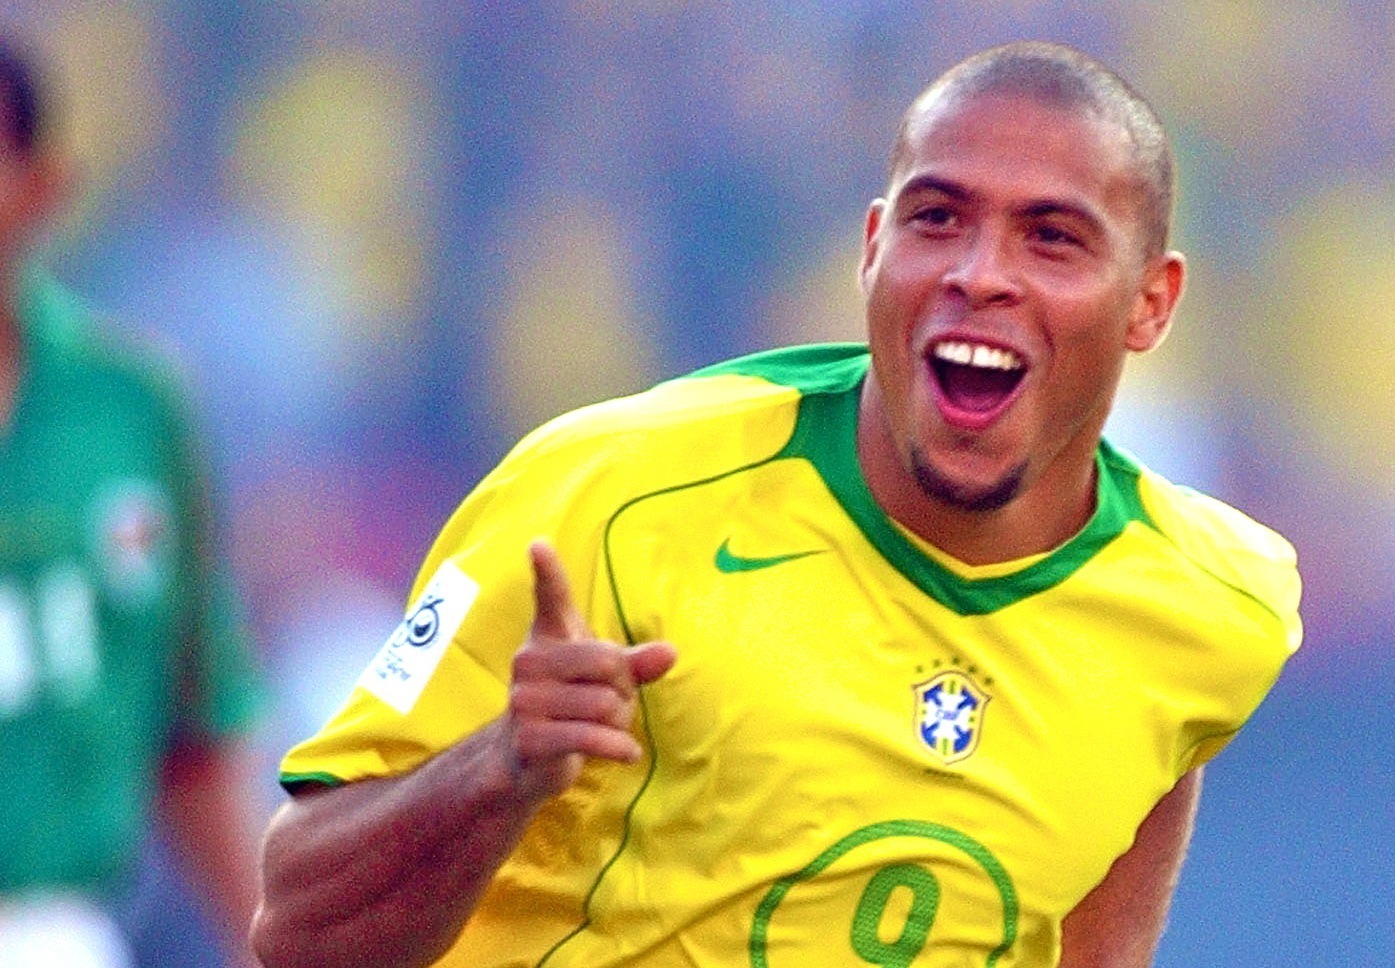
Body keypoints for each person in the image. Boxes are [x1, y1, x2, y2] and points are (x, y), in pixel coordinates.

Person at [252, 40, 1302, 968]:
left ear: (1150, 302)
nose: (979, 275)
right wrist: (499, 765)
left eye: (1052, 238)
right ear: (872, 248)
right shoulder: (612, 491)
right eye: (937, 220)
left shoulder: (1212, 608)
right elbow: (296, 929)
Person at [0, 37, 266, 968]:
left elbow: (191, 729)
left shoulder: (133, 411)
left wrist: (266, 944)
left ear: (43, 186)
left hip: (49, 932)